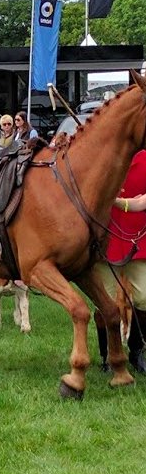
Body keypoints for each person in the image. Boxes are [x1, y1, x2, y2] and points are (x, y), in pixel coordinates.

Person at [95, 150, 146, 373]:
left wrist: (114, 200)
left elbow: (141, 202)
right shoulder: (103, 156)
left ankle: (136, 350)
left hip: (139, 239)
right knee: (105, 302)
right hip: (106, 238)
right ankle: (107, 355)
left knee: (145, 298)